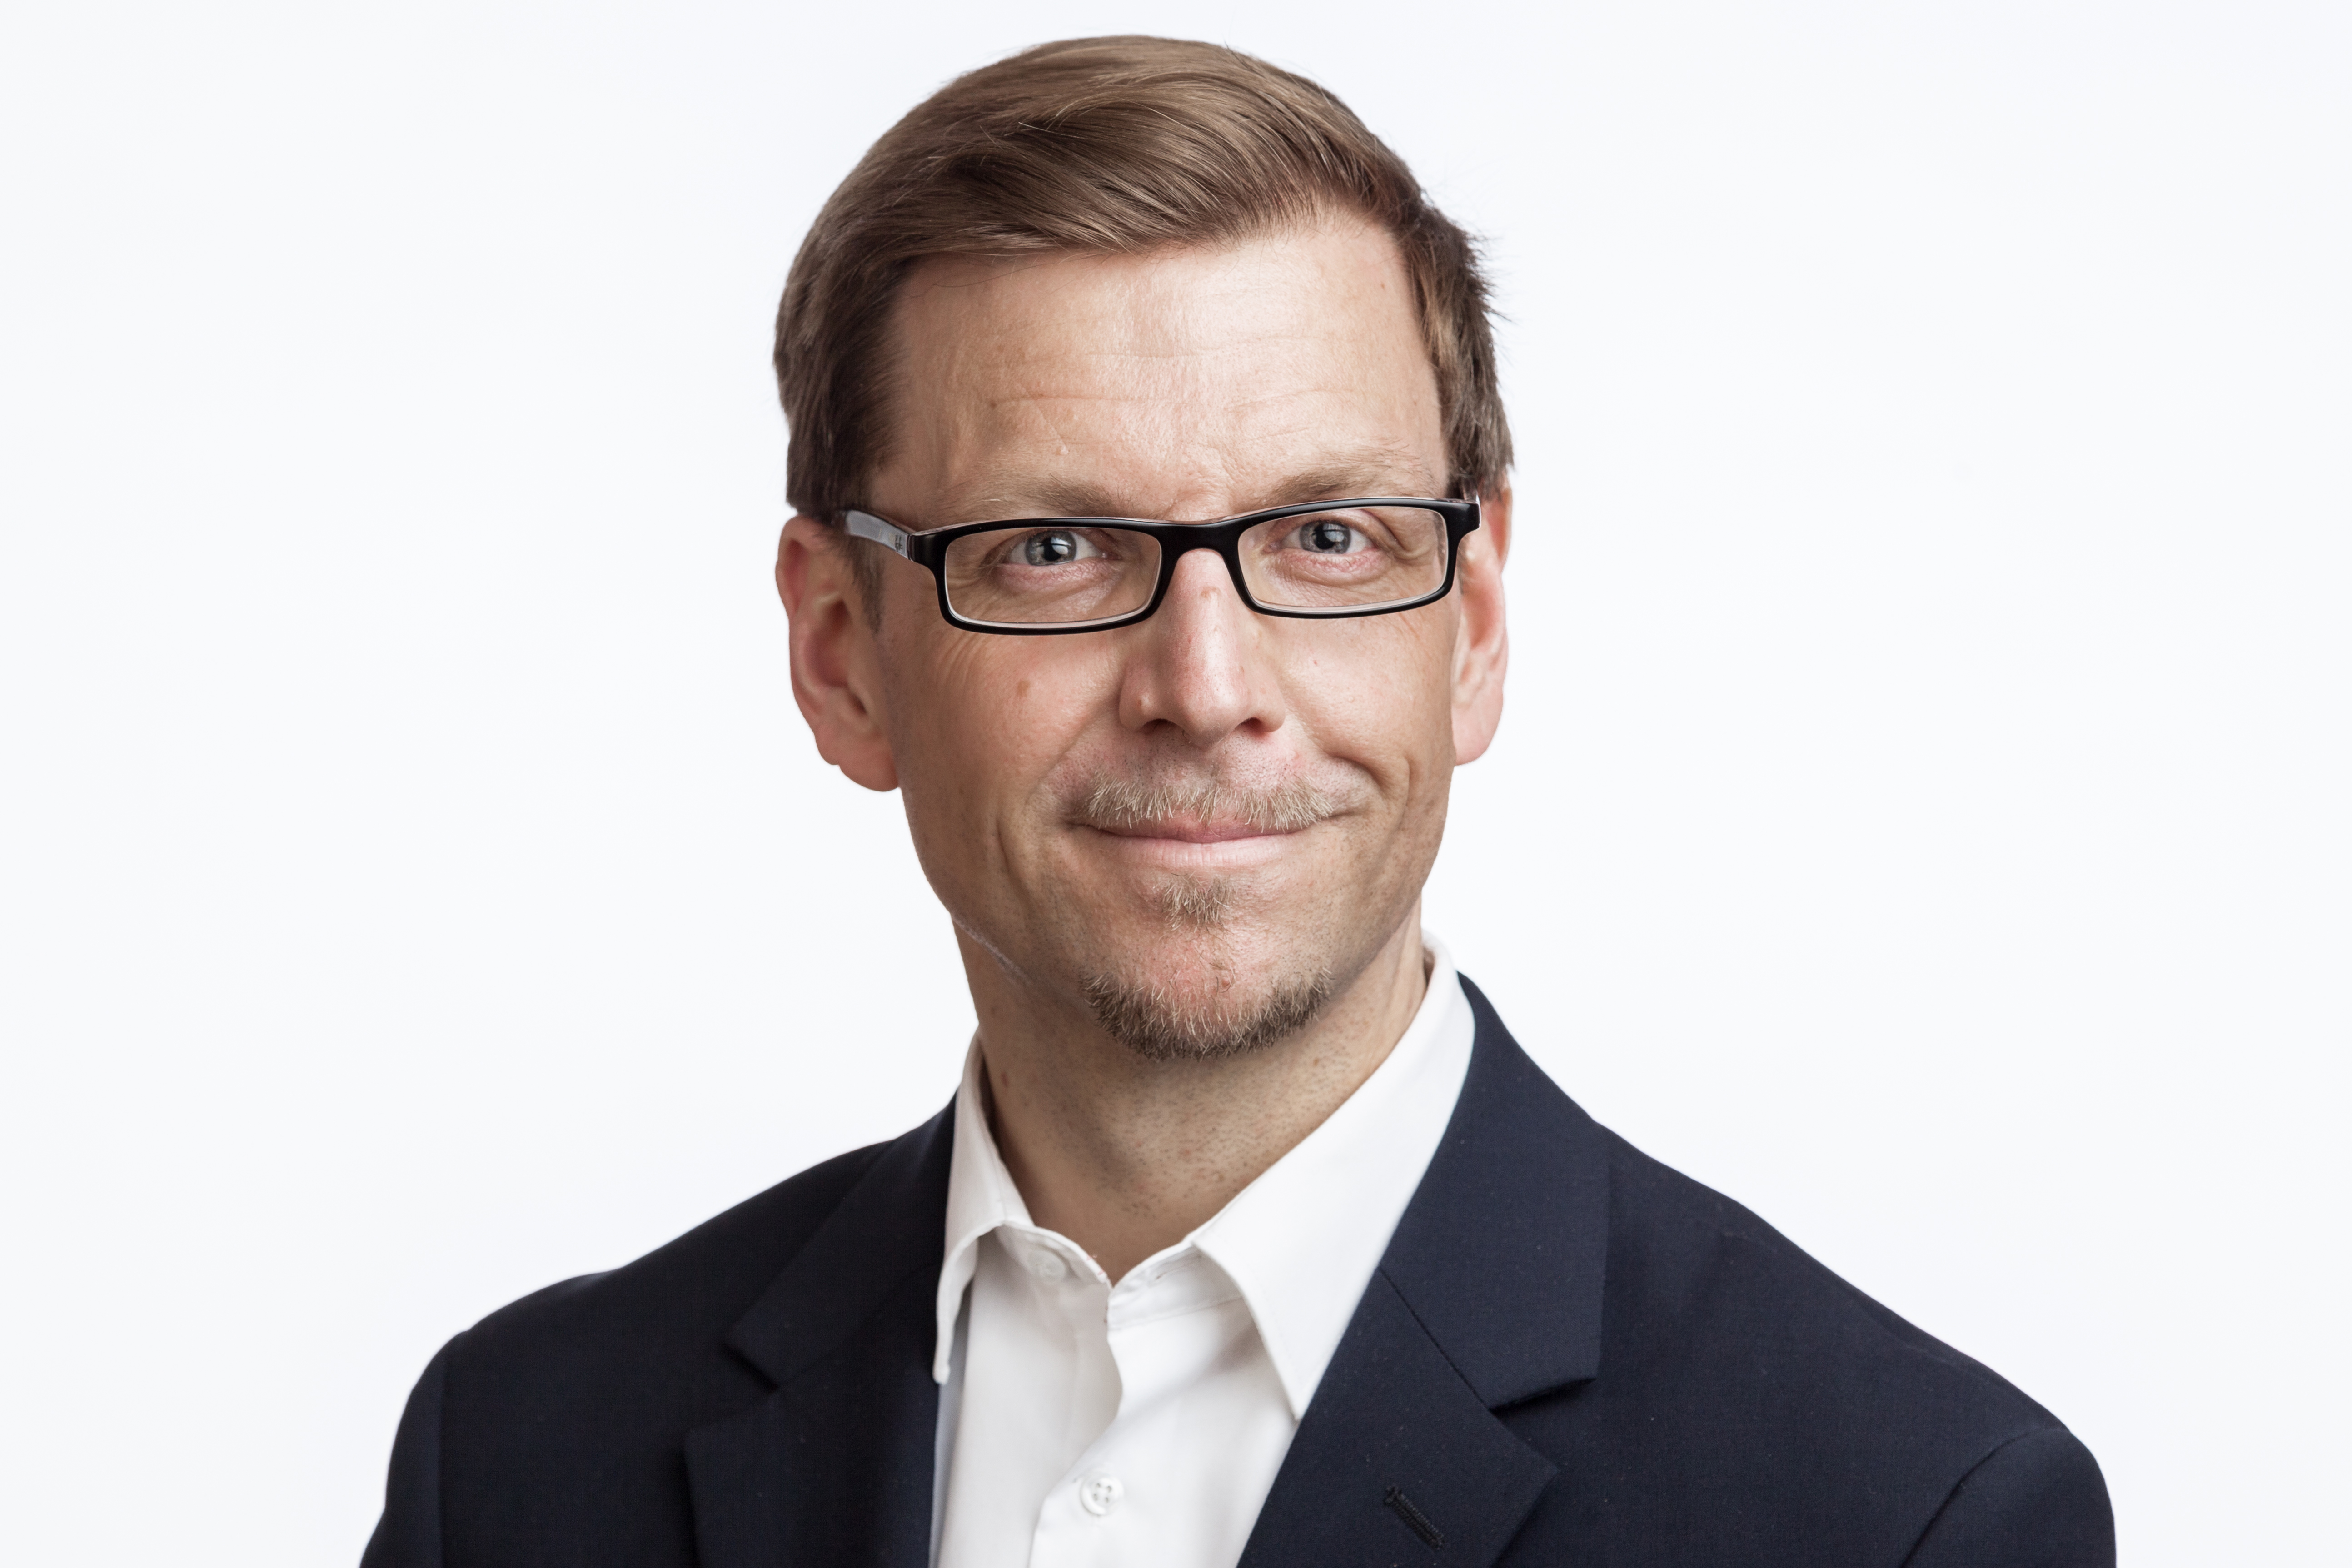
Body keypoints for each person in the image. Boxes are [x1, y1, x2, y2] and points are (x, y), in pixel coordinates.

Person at [361, 35, 2113, 1568]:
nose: (1205, 686)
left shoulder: (1903, 1515)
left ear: (1473, 625)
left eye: (1328, 536)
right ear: (841, 652)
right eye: (1054, 546)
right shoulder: (520, 1460)